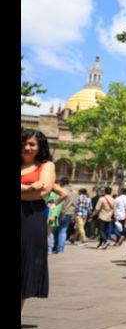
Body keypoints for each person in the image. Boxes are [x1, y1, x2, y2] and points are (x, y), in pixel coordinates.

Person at [21, 129, 56, 312]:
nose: (27, 147)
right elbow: (34, 191)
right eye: (24, 143)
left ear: (40, 146)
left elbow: (43, 192)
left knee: (24, 266)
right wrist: (27, 189)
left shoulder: (46, 165)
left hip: (31, 218)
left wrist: (28, 191)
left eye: (32, 144)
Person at [52, 177, 77, 254]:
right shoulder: (74, 191)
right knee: (63, 230)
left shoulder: (61, 190)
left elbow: (59, 202)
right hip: (70, 212)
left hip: (61, 212)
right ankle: (60, 249)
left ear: (62, 182)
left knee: (54, 230)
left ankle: (53, 247)